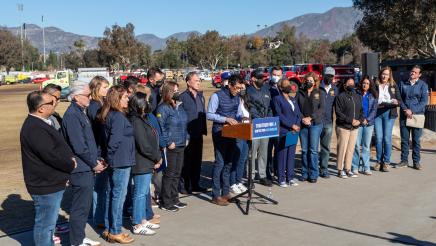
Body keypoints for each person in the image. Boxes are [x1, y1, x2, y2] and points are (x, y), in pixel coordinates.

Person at [20, 91, 76, 246]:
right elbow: (50, 155)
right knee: (45, 226)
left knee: (49, 226)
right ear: (40, 108)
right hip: (45, 185)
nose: (54, 104)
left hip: (50, 182)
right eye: (50, 103)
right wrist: (70, 164)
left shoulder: (41, 122)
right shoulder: (35, 127)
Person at [62, 80, 104, 246]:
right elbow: (79, 146)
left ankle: (79, 237)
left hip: (87, 165)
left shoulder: (80, 112)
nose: (89, 98)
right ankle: (76, 241)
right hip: (81, 168)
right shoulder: (72, 115)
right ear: (75, 96)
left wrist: (96, 159)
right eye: (86, 95)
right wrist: (94, 163)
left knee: (84, 207)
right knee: (80, 207)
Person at [97, 85, 135, 244]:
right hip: (120, 161)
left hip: (117, 160)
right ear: (117, 99)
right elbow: (114, 141)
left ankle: (109, 228)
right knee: (118, 197)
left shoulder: (110, 114)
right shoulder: (118, 117)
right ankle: (115, 230)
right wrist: (109, 158)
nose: (128, 99)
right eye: (125, 97)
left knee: (112, 194)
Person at [128, 92, 162, 235]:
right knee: (140, 193)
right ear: (140, 104)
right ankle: (137, 223)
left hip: (146, 162)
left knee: (143, 192)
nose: (149, 103)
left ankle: (143, 220)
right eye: (147, 101)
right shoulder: (136, 121)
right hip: (141, 162)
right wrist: (156, 157)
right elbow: (143, 145)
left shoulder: (143, 118)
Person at [207, 74, 244, 206]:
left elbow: (238, 113)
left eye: (240, 88)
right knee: (220, 163)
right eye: (237, 88)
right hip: (219, 132)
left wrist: (242, 118)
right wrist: (225, 119)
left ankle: (226, 192)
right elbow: (209, 114)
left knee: (229, 163)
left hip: (233, 132)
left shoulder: (238, 98)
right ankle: (216, 195)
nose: (238, 90)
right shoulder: (216, 96)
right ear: (229, 85)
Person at [157, 81, 189, 212]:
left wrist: (187, 137)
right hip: (171, 146)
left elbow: (184, 124)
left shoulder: (179, 107)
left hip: (181, 143)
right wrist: (168, 141)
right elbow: (161, 127)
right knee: (169, 174)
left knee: (177, 173)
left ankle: (175, 198)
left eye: (178, 90)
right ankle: (166, 201)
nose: (177, 92)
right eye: (175, 90)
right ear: (168, 92)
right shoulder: (163, 108)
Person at [87, 76, 110, 227]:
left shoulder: (101, 103)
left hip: (101, 148)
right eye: (104, 88)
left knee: (102, 186)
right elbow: (100, 127)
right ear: (96, 89)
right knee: (98, 187)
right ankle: (98, 217)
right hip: (97, 149)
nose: (107, 90)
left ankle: (99, 215)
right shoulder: (94, 105)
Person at [179, 71, 208, 193]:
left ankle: (195, 184)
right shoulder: (182, 97)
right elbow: (180, 116)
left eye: (199, 80)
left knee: (197, 160)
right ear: (188, 82)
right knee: (186, 162)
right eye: (196, 80)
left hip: (198, 133)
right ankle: (184, 186)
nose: (198, 82)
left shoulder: (201, 96)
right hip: (187, 135)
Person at [398, 65, 429, 170]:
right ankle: (404, 161)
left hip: (417, 116)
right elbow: (399, 99)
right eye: (412, 71)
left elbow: (424, 101)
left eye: (415, 72)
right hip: (404, 115)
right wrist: (405, 110)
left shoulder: (423, 85)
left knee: (416, 140)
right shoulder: (402, 83)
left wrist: (413, 110)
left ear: (419, 75)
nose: (412, 73)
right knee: (404, 140)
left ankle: (416, 162)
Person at [297, 72, 325, 183]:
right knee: (304, 150)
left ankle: (313, 173)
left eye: (311, 81)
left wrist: (311, 118)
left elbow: (321, 109)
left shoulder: (319, 92)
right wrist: (303, 118)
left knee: (313, 150)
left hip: (315, 124)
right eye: (307, 80)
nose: (309, 82)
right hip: (303, 124)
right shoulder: (300, 93)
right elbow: (296, 108)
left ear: (315, 82)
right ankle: (304, 172)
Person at [273, 79, 301, 187]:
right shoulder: (277, 99)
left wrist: (297, 125)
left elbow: (298, 113)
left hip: (294, 131)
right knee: (282, 155)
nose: (289, 86)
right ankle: (281, 179)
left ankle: (290, 177)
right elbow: (279, 115)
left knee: (291, 154)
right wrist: (291, 125)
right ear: (280, 87)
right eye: (286, 85)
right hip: (284, 130)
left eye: (290, 84)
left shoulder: (293, 99)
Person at [247, 70, 273, 186]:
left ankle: (262, 175)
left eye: (263, 78)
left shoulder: (266, 89)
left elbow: (269, 106)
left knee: (263, 151)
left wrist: (269, 118)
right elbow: (250, 107)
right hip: (255, 124)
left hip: (265, 125)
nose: (262, 80)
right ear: (253, 79)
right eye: (260, 78)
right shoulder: (248, 91)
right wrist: (258, 118)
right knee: (253, 152)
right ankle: (251, 177)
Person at [374, 67, 402, 172]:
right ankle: (378, 161)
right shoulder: (375, 85)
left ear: (390, 75)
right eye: (383, 74)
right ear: (380, 74)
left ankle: (386, 162)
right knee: (378, 138)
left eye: (386, 74)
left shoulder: (394, 86)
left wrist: (396, 101)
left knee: (386, 138)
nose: (384, 76)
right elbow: (372, 98)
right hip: (377, 113)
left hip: (389, 113)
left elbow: (400, 100)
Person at [335, 78, 364, 178]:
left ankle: (348, 169)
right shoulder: (340, 97)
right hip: (343, 127)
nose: (351, 85)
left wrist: (359, 121)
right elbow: (338, 113)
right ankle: (340, 169)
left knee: (351, 149)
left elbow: (361, 111)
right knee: (342, 148)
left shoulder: (357, 97)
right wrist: (350, 120)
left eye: (352, 83)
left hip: (355, 127)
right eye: (349, 83)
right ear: (344, 85)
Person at [352, 76, 378, 175]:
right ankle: (355, 166)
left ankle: (366, 167)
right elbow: (354, 108)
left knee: (366, 146)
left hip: (369, 124)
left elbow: (374, 110)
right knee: (357, 146)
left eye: (367, 83)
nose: (365, 85)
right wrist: (359, 120)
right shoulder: (356, 94)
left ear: (370, 85)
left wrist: (367, 119)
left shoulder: (373, 95)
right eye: (364, 83)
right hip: (358, 124)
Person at [318, 67, 338, 178]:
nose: (329, 78)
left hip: (328, 122)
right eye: (327, 76)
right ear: (323, 75)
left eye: (331, 76)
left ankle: (324, 169)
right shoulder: (317, 87)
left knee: (326, 147)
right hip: (316, 122)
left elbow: (337, 106)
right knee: (313, 148)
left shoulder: (335, 89)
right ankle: (312, 169)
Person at [230, 82, 249, 194]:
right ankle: (232, 183)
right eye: (240, 88)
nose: (242, 90)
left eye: (243, 88)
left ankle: (238, 181)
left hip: (246, 132)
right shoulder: (235, 100)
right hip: (237, 132)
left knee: (243, 158)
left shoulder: (246, 100)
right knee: (235, 159)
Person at [266, 66, 283, 180]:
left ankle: (277, 170)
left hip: (280, 122)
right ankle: (267, 172)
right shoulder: (265, 87)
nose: (276, 77)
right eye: (274, 74)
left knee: (279, 148)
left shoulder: (283, 88)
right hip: (268, 121)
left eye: (278, 75)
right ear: (270, 75)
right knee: (267, 149)